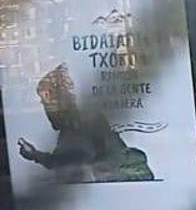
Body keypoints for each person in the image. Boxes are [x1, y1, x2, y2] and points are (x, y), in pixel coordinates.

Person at [18, 63, 154, 183]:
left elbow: (98, 163)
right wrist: (35, 154)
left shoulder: (90, 122)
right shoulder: (69, 130)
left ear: (65, 98)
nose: (45, 106)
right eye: (44, 100)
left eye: (48, 100)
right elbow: (63, 162)